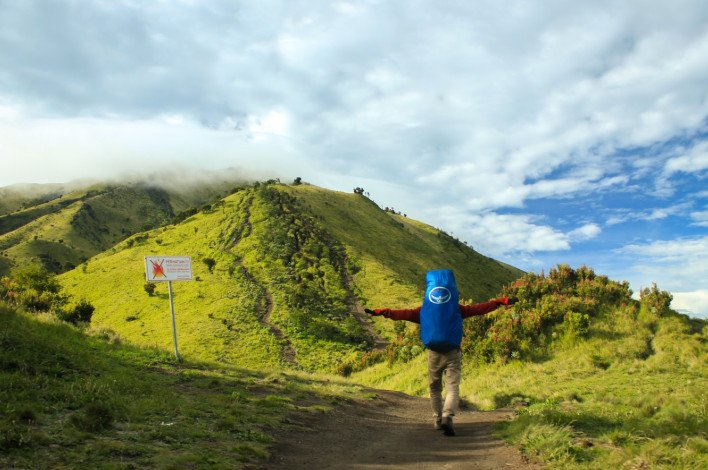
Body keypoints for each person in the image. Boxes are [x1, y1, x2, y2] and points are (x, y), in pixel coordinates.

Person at [366, 269, 516, 437]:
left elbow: (402, 314)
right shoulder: (457, 309)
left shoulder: (423, 310)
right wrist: (500, 302)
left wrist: (381, 312)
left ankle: (438, 420)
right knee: (452, 387)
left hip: (433, 353)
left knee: (435, 388)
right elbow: (479, 308)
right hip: (452, 352)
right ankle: (447, 415)